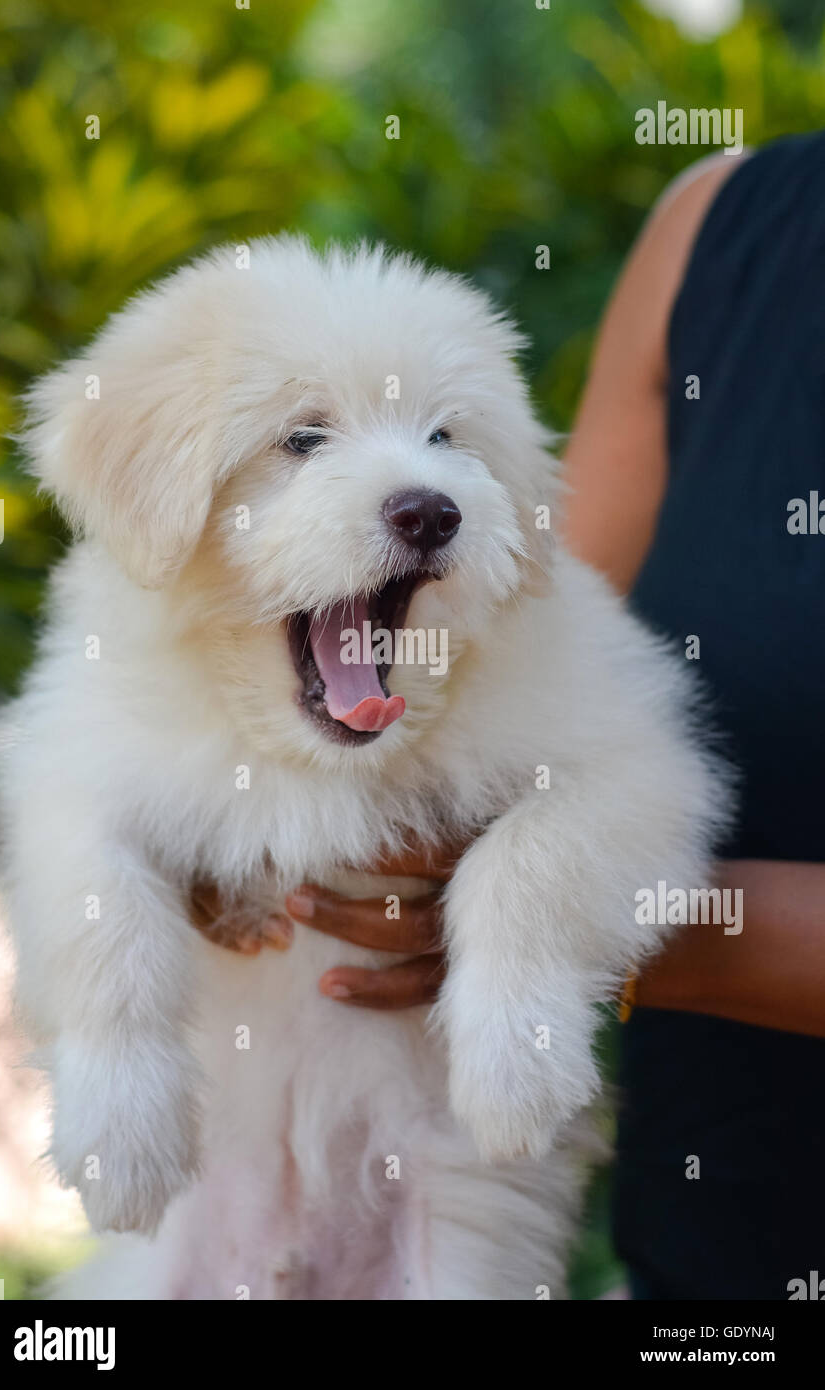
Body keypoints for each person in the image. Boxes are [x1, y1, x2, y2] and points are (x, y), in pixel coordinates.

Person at [191, 133, 825, 1298]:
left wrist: (557, 927)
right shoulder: (719, 219)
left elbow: (574, 823)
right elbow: (534, 651)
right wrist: (227, 826)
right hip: (710, 1254)